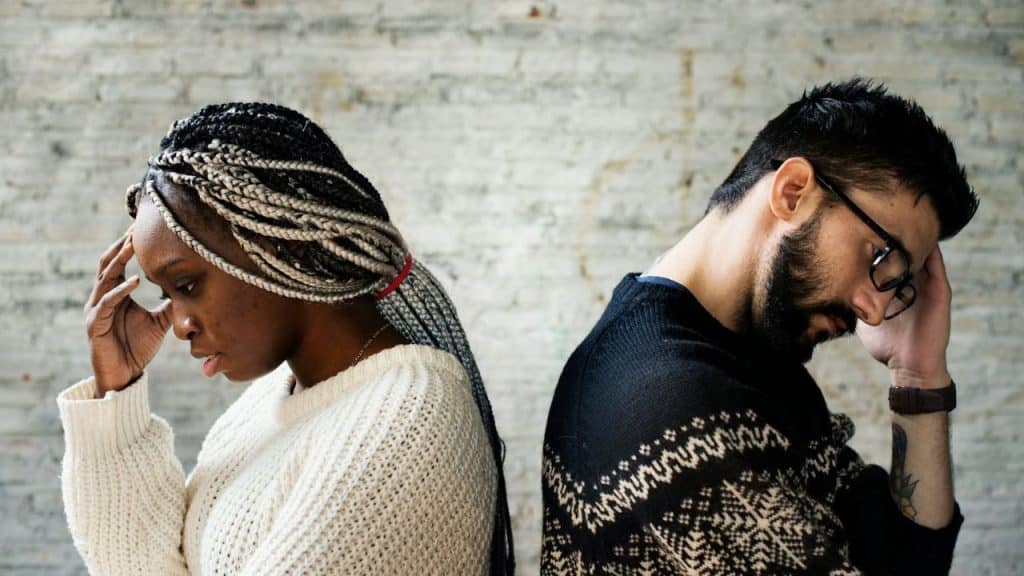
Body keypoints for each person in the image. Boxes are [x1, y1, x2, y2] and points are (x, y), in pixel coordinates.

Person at [541, 79, 978, 575]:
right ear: (793, 192)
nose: (873, 313)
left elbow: (907, 559)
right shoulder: (669, 409)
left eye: (896, 286)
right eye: (880, 260)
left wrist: (917, 375)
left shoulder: (749, 360)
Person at [59, 103, 514, 575]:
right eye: (167, 295)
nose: (179, 325)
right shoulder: (269, 403)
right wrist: (116, 392)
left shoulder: (405, 421)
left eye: (188, 286)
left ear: (284, 244)